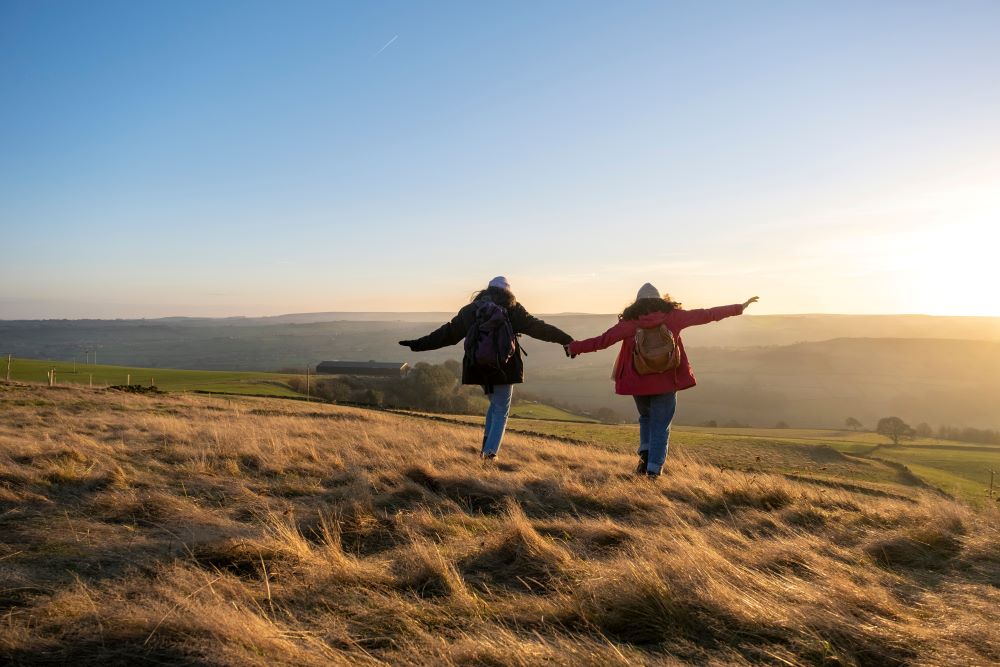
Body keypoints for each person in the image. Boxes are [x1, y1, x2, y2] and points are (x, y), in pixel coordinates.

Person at [567, 283, 758, 478]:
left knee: (646, 418)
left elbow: (602, 340)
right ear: (660, 300)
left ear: (637, 303)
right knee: (661, 425)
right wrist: (739, 308)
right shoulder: (673, 317)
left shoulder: (631, 322)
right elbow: (707, 314)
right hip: (667, 380)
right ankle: (653, 471)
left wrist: (574, 348)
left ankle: (645, 457)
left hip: (638, 382)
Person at [399, 277, 574, 460]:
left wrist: (417, 344)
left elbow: (447, 334)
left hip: (478, 368)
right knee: (501, 410)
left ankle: (485, 449)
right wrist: (566, 339)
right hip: (504, 368)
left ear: (487, 290)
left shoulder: (471, 310)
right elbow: (539, 328)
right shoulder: (514, 310)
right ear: (508, 292)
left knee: (494, 405)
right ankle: (490, 456)